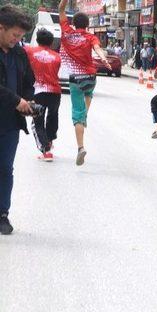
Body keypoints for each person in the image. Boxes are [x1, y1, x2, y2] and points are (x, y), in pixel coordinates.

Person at [59, 0, 111, 166]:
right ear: (87, 25)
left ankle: (81, 147)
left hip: (76, 78)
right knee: (89, 94)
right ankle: (85, 116)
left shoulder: (66, 32)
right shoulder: (90, 36)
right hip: (90, 77)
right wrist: (104, 59)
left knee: (77, 114)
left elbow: (61, 9)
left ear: (73, 23)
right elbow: (97, 50)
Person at [0, 4, 35, 235]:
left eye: (21, 36)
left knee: (5, 168)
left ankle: (3, 213)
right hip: (9, 108)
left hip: (10, 123)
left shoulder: (20, 53)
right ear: (1, 28)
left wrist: (28, 102)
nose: (17, 39)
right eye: (15, 35)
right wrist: (15, 100)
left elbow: (28, 83)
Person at [25, 29, 61, 161]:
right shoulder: (57, 57)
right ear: (51, 43)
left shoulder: (29, 51)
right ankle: (49, 143)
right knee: (52, 117)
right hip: (55, 91)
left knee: (37, 121)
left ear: (37, 40)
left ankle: (46, 151)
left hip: (37, 91)